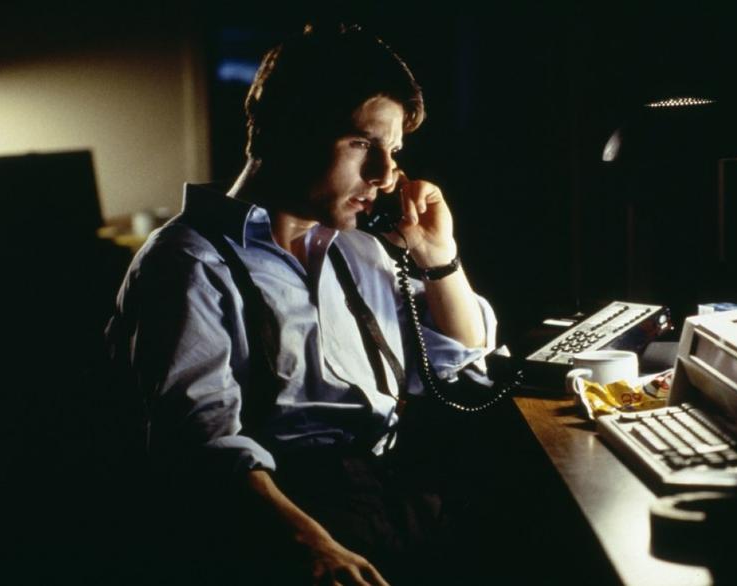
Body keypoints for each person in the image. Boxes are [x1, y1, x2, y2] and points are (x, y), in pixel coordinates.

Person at [105, 23, 506, 585]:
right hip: (286, 511)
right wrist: (316, 547)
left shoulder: (359, 249)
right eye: (362, 143)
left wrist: (439, 258)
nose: (385, 176)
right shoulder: (188, 261)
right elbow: (200, 446)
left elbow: (461, 360)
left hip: (393, 486)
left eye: (393, 152)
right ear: (287, 130)